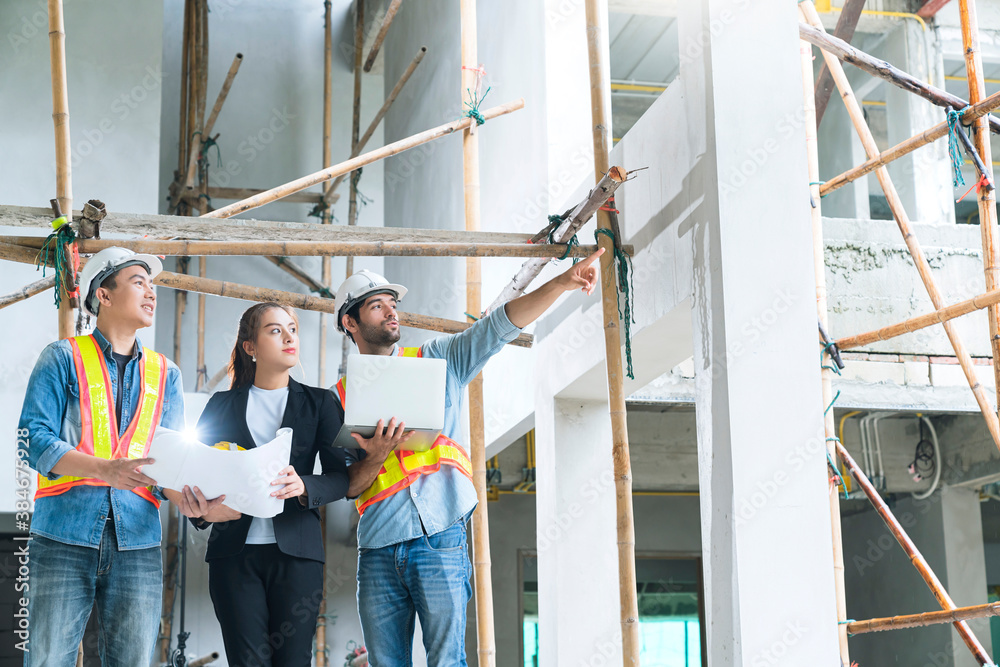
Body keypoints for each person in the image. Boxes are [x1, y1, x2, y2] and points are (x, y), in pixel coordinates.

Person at [332, 249, 605, 666]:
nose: (392, 312)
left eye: (393, 304)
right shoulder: (338, 400)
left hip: (442, 536)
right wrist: (377, 454)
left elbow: (499, 325)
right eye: (376, 305)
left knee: (447, 661)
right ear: (350, 323)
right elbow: (347, 486)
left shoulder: (438, 362)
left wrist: (562, 283)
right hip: (378, 548)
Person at [18, 246, 219, 666]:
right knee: (48, 659)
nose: (151, 292)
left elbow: (169, 467)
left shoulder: (168, 374)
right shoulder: (62, 358)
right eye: (138, 282)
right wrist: (105, 470)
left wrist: (194, 500)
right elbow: (33, 440)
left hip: (138, 542)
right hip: (63, 536)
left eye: (153, 285)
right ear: (103, 296)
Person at [190, 302, 351, 667]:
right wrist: (203, 515)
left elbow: (342, 477)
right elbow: (195, 475)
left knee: (293, 661)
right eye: (275, 330)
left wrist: (305, 485)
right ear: (251, 347)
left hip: (297, 557)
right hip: (233, 556)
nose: (289, 336)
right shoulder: (222, 404)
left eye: (292, 328)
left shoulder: (320, 403)